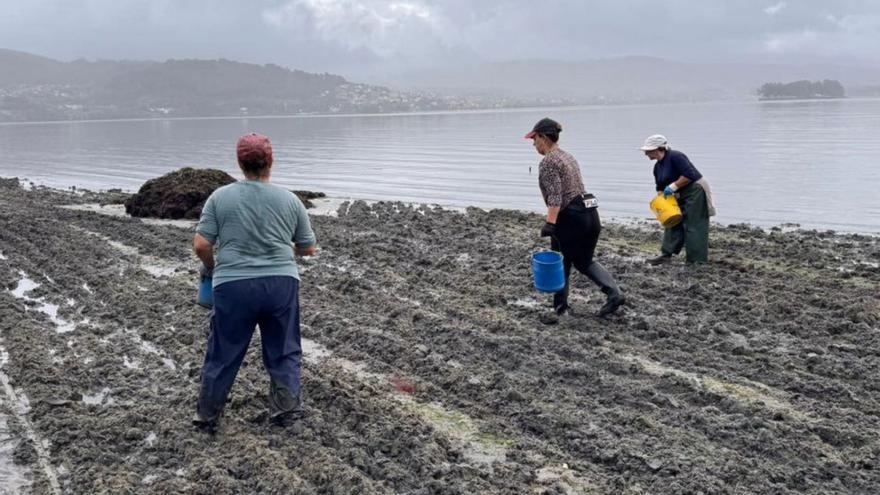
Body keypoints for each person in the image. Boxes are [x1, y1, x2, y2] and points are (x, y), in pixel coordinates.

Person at [192, 133, 317, 430]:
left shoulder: (219, 197)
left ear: (239, 162)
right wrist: (288, 249)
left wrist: (211, 268)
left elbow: (201, 244)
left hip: (233, 286)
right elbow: (308, 247)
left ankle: (207, 417)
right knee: (284, 348)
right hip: (280, 284)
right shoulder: (290, 200)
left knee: (224, 350)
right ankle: (286, 412)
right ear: (271, 162)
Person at [525, 118, 625, 319]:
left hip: (570, 218)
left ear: (544, 137)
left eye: (534, 139)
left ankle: (563, 308)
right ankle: (611, 293)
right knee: (584, 260)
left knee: (566, 262)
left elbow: (555, 196)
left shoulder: (548, 162)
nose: (533, 143)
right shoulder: (567, 157)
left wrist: (550, 223)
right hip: (589, 214)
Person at [640, 134, 715, 265]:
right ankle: (666, 254)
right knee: (672, 221)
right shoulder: (657, 167)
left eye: (649, 150)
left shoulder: (676, 156)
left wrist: (673, 186)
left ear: (659, 149)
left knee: (694, 225)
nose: (646, 153)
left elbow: (689, 174)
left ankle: (696, 261)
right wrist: (662, 200)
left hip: (695, 190)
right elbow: (660, 187)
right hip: (677, 194)